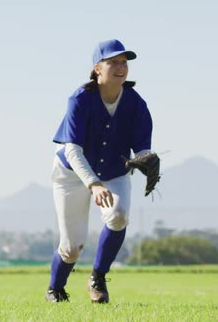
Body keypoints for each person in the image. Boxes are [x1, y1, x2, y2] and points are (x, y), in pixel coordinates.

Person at [46, 39, 154, 303]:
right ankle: (56, 289)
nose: (120, 67)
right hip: (72, 174)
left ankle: (98, 276)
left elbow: (141, 149)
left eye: (124, 62)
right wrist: (93, 184)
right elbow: (72, 150)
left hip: (114, 171)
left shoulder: (136, 104)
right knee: (72, 247)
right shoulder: (80, 99)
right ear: (97, 68)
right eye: (112, 62)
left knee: (118, 216)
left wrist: (147, 160)